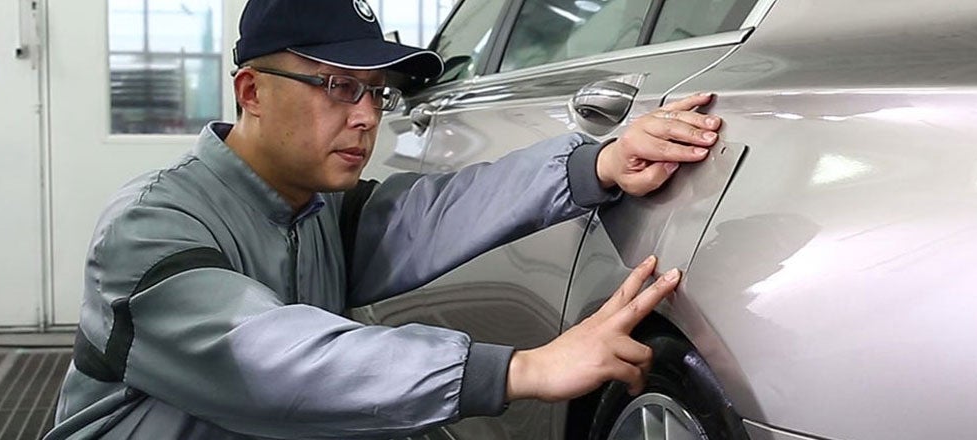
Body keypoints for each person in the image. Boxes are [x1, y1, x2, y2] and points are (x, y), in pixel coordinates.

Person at [46, 0, 724, 438]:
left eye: (375, 92)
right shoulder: (152, 230)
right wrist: (523, 369)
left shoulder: (311, 210)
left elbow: (433, 215)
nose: (367, 115)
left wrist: (598, 165)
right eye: (338, 86)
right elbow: (272, 360)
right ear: (252, 92)